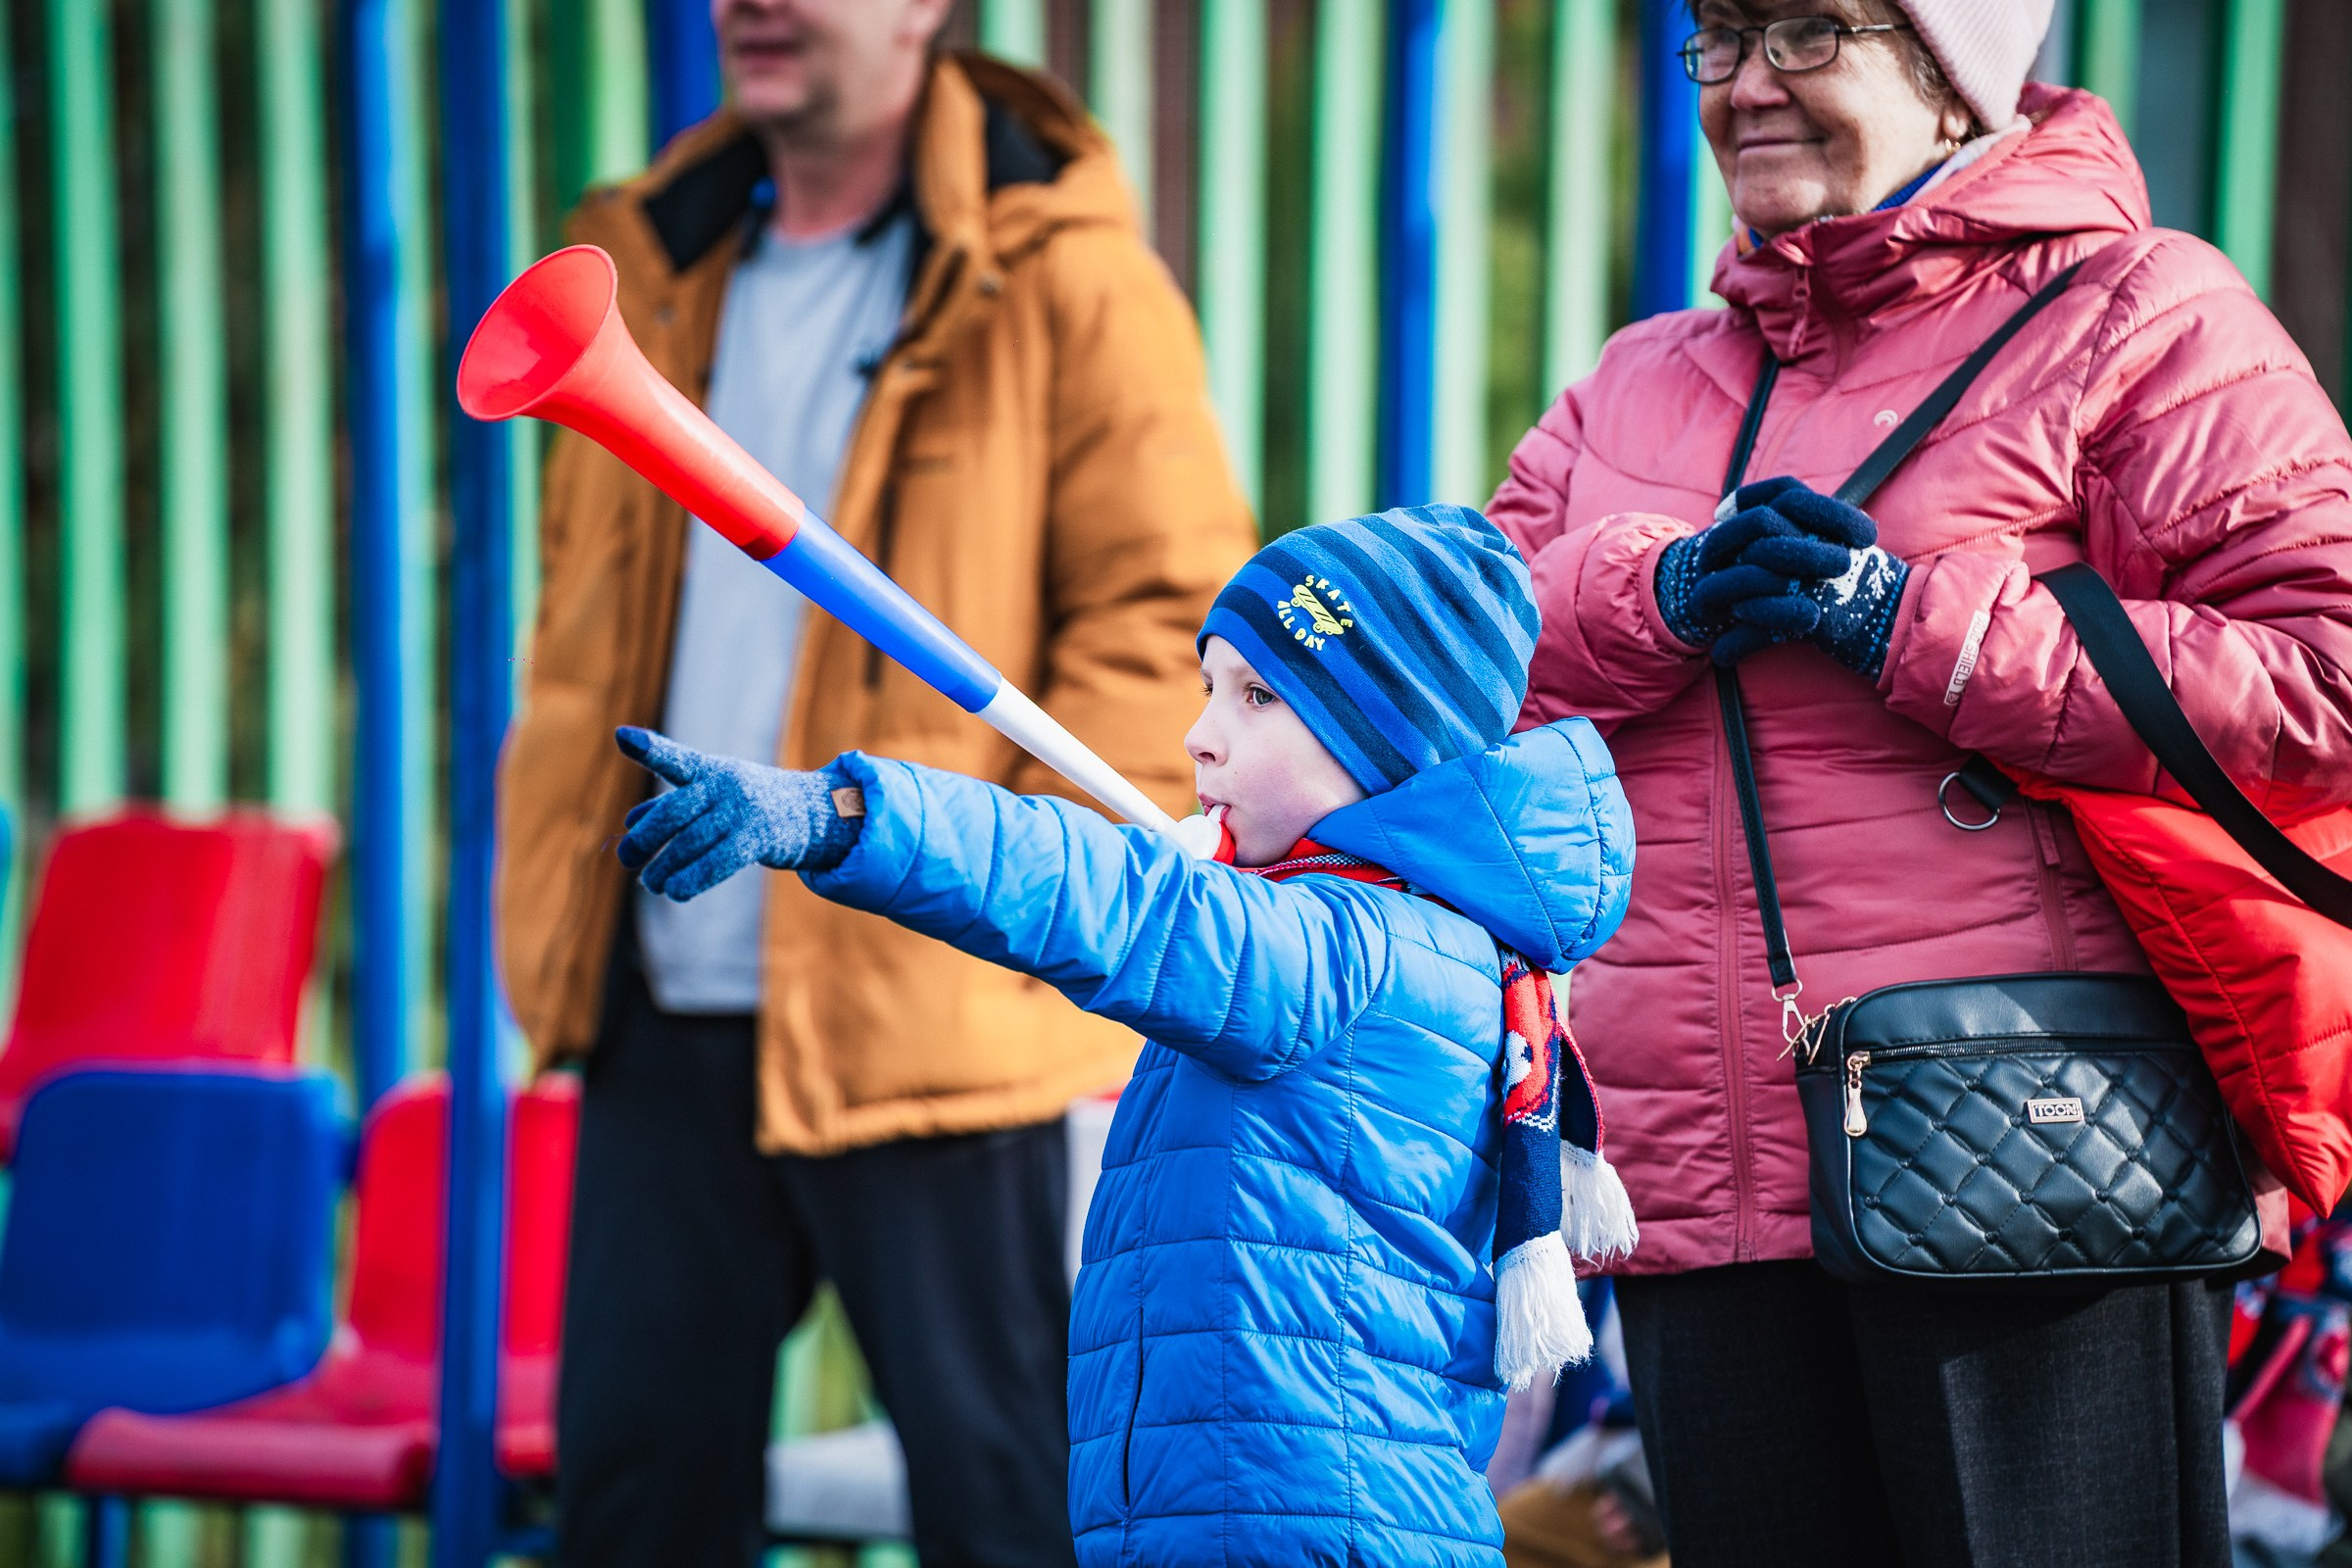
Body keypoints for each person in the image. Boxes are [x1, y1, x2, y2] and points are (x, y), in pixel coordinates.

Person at [1485, 0, 2352, 1563]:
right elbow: (1461, 663)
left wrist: (1916, 624)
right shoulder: (1638, 382)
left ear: (1956, 71)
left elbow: (2326, 673)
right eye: (1721, 37)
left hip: (2032, 1163)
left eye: (1810, 33)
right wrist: (1656, 596)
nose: (1749, 84)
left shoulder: (2143, 316)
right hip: (1701, 1189)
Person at [494, 0, 1256, 1560]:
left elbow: (1159, 629)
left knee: (1005, 1508)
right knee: (632, 1505)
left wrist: (971, 870)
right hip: (665, 979)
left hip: (929, 1001)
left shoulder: (1071, 273)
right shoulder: (657, 256)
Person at [607, 505, 1639, 1568]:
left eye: (1259, 696)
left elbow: (1104, 893)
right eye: (1209, 687)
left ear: (1388, 752)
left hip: (1296, 1533)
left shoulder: (1344, 952)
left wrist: (852, 818)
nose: (1202, 733)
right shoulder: (1388, 940)